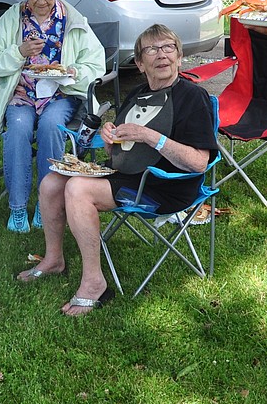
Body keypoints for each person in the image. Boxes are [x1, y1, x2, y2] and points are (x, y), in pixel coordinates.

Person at [20, 25, 217, 316]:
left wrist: (150, 136)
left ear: (179, 56)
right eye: (151, 49)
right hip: (126, 176)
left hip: (163, 185)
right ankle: (53, 259)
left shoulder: (193, 97)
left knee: (77, 188)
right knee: (52, 182)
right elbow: (122, 150)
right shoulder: (138, 93)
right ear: (139, 63)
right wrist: (112, 140)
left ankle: (93, 283)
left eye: (168, 48)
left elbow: (199, 162)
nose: (161, 55)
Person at [0, 0, 105, 233]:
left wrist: (72, 71)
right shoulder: (13, 17)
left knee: (51, 127)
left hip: (61, 94)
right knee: (19, 129)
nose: (42, 2)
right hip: (21, 92)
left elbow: (96, 63)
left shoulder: (71, 18)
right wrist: (18, 53)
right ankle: (18, 207)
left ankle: (46, 205)